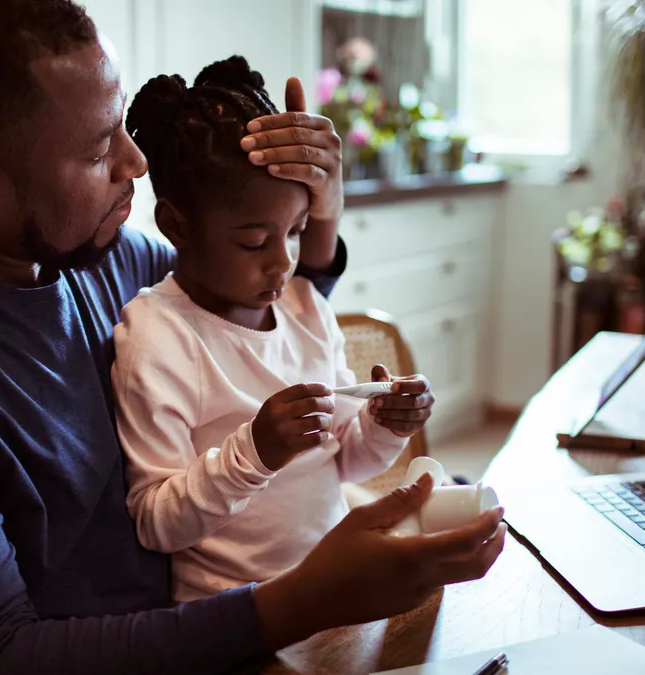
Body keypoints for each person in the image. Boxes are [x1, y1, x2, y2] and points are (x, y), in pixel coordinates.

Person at [0, 1, 505, 673]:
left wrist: (320, 216)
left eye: (123, 125)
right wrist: (303, 600)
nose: (136, 163)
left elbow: (245, 320)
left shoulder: (97, 255)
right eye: (98, 151)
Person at [114, 57, 428, 602]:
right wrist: (254, 452)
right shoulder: (157, 337)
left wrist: (384, 425)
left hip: (335, 587)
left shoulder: (305, 306)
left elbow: (346, 463)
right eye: (254, 242)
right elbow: (155, 523)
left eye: (297, 232)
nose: (283, 262)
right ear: (176, 225)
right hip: (236, 616)